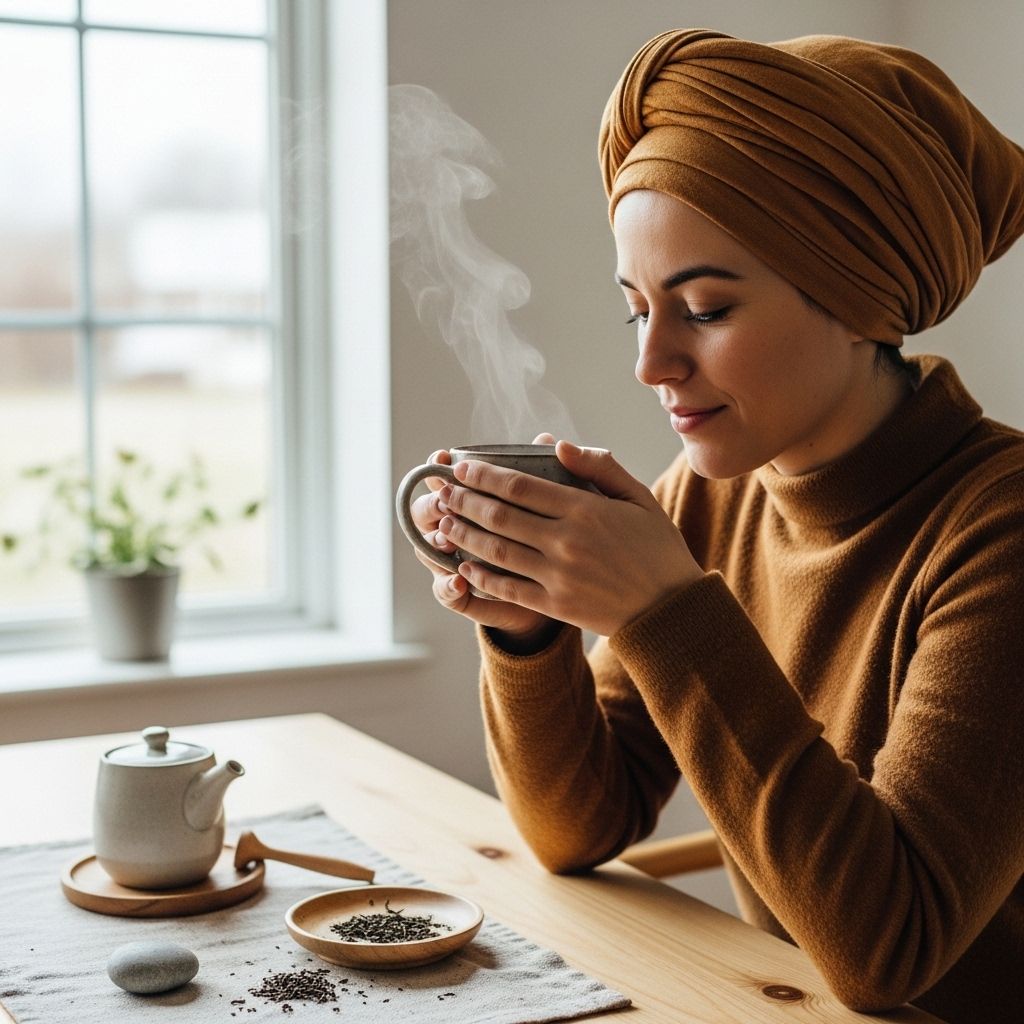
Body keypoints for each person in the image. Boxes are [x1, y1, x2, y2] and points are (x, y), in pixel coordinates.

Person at [407, 29, 1024, 1023]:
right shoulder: (710, 498)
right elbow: (580, 826)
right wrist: (528, 627)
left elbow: (889, 948)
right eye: (635, 310)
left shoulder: (1000, 529)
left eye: (701, 307)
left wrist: (661, 610)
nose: (652, 362)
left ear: (862, 300)